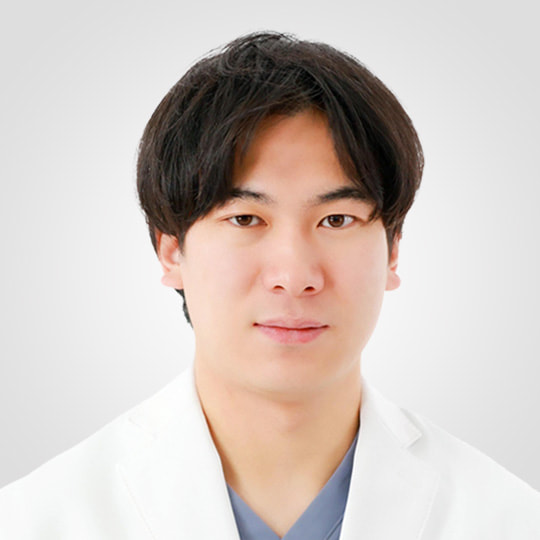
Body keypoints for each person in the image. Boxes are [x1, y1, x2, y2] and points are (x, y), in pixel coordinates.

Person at [1, 30, 539, 539]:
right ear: (171, 251)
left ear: (393, 249)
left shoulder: (506, 519)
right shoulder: (37, 520)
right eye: (245, 219)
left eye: (337, 220)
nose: (294, 277)